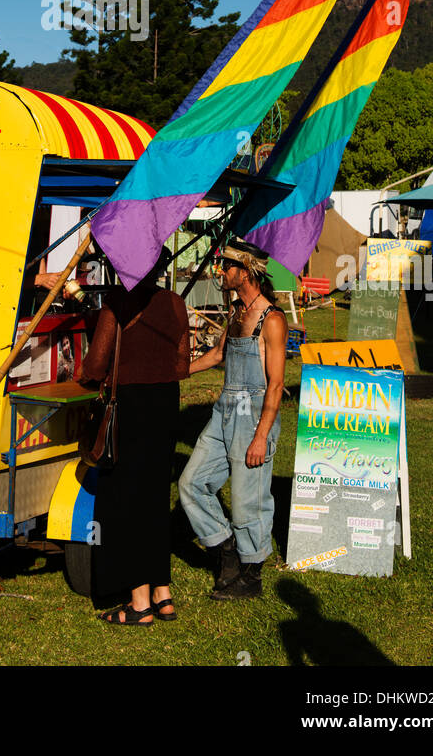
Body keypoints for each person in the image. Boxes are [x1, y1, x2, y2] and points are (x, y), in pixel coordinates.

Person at [78, 252, 190, 625]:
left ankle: (139, 603)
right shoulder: (175, 303)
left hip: (130, 406)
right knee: (156, 498)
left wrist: (94, 375)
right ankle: (163, 594)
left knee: (126, 501)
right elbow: (182, 365)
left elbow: (95, 365)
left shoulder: (118, 303)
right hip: (164, 405)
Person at [179, 238, 287, 601]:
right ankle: (225, 549)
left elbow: (275, 386)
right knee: (191, 483)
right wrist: (178, 372)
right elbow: (217, 355)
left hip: (254, 416)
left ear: (246, 272)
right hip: (224, 412)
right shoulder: (238, 312)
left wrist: (261, 437)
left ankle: (251, 575)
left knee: (247, 502)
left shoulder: (272, 320)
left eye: (227, 267)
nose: (221, 272)